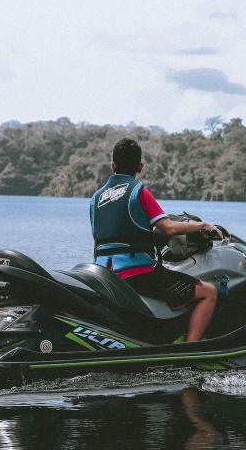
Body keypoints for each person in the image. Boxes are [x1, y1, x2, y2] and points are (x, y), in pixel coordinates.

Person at [90, 138, 222, 342]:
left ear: (113, 166)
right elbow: (168, 228)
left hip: (103, 274)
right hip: (136, 275)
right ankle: (190, 351)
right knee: (209, 292)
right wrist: (202, 225)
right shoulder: (138, 192)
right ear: (140, 167)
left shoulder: (95, 198)